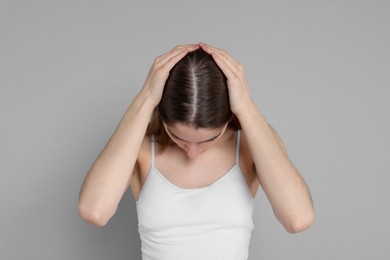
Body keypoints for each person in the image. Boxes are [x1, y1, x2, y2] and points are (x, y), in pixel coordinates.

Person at [78, 43, 314, 260]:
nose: (191, 153)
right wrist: (147, 97)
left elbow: (298, 218)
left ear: (227, 120)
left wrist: (245, 105)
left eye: (209, 139)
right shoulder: (140, 148)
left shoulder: (250, 145)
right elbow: (94, 211)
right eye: (177, 137)